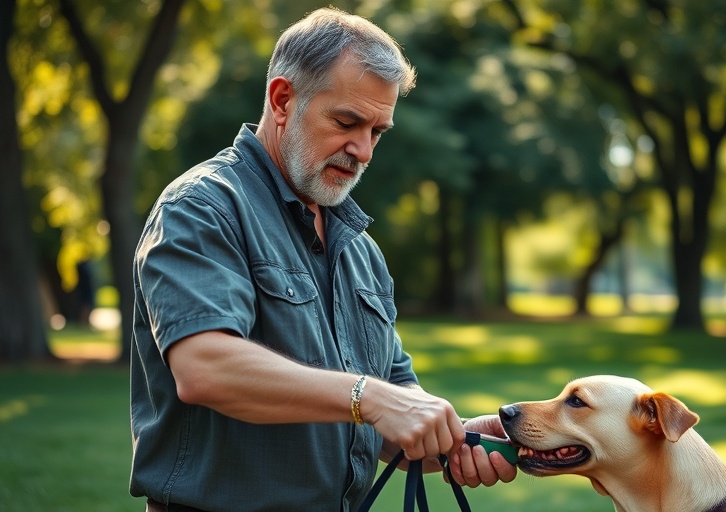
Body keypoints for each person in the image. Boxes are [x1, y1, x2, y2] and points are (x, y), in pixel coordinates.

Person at [130, 7, 516, 512]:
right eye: (347, 122)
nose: (363, 151)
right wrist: (370, 398)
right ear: (283, 99)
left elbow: (387, 425)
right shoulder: (202, 207)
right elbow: (205, 367)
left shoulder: (359, 249)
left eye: (378, 131)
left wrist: (451, 435)